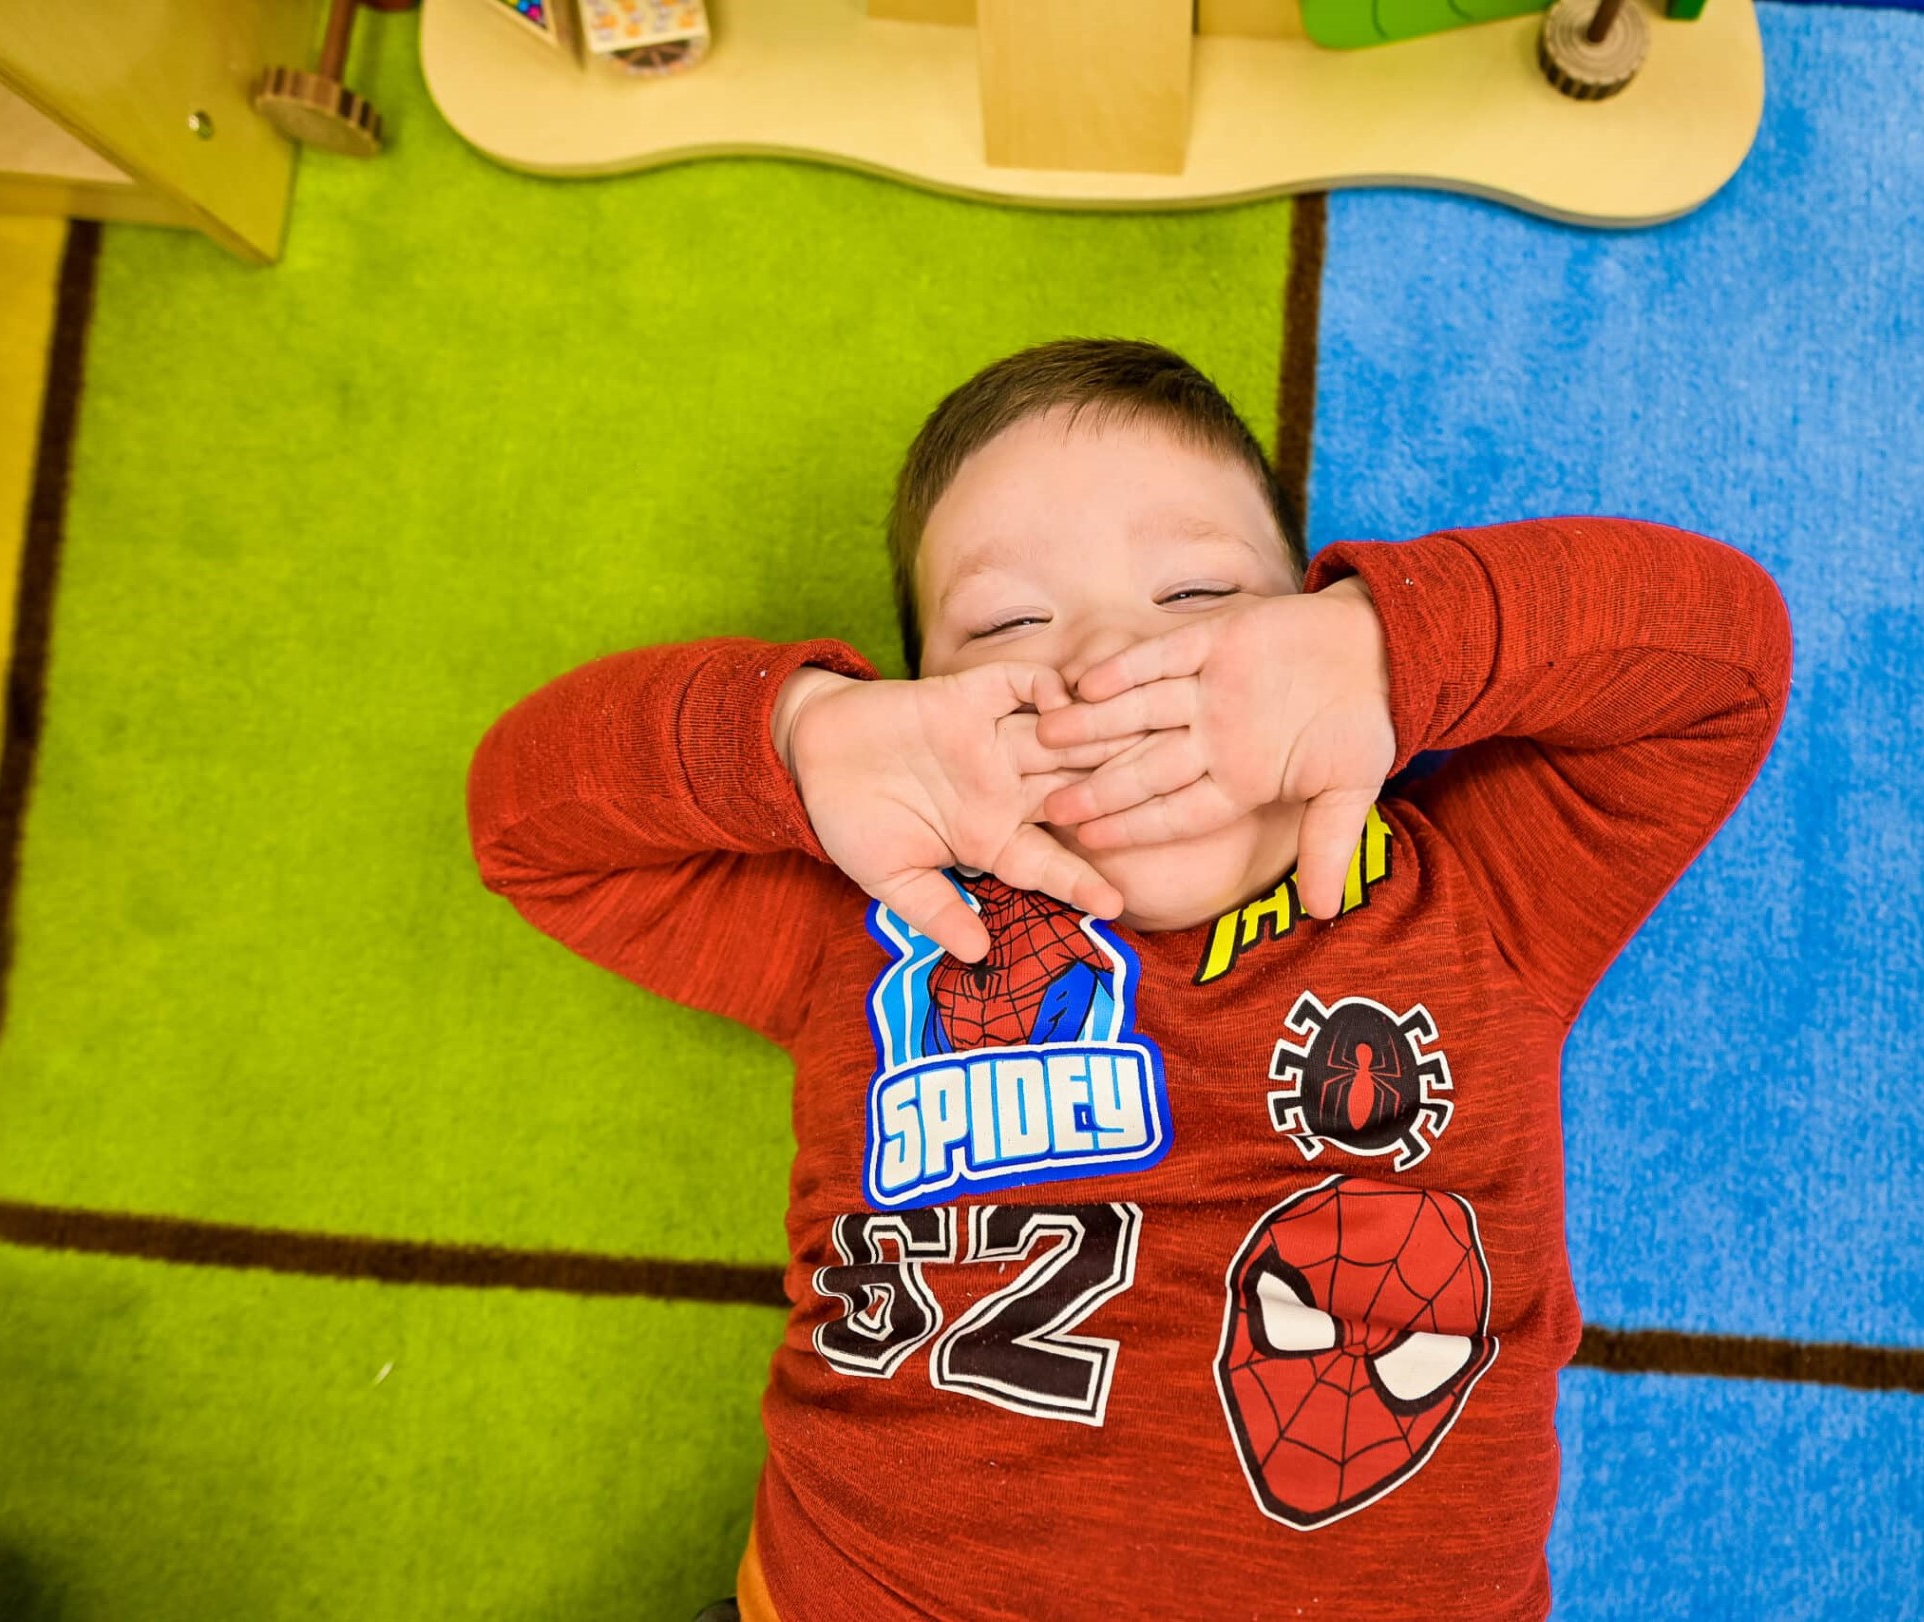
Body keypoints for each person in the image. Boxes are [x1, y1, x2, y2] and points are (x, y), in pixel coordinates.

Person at [467, 338, 1791, 1620]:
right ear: (923, 720)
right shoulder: (884, 922)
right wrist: (803, 740)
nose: (1103, 658)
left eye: (1202, 598)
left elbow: (1722, 658)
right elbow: (531, 825)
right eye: (1004, 621)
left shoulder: (1481, 890)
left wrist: (1392, 646)